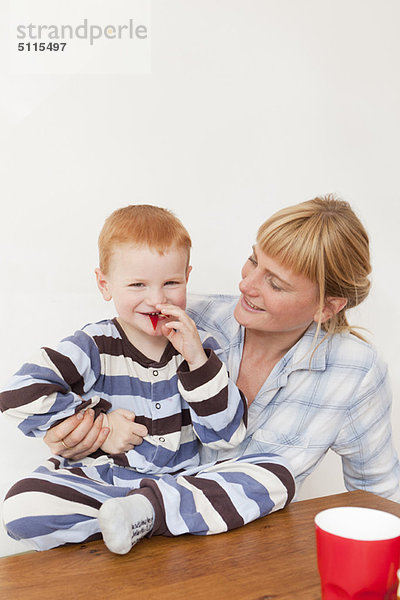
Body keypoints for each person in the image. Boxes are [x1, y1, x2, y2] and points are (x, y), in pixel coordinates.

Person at [42, 196, 400, 502]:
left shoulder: (356, 371)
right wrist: (87, 430)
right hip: (133, 524)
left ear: (326, 307)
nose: (246, 283)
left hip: (243, 558)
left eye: (274, 284)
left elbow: (377, 497)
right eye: (254, 260)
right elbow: (99, 372)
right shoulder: (182, 316)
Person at [0, 205, 294, 554]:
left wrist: (196, 359)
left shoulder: (199, 348)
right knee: (23, 504)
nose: (156, 299)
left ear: (187, 277)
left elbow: (226, 435)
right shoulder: (92, 346)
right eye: (138, 284)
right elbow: (19, 393)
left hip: (181, 483)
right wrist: (101, 424)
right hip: (106, 480)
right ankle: (135, 519)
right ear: (105, 284)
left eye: (171, 283)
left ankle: (148, 514)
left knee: (276, 475)